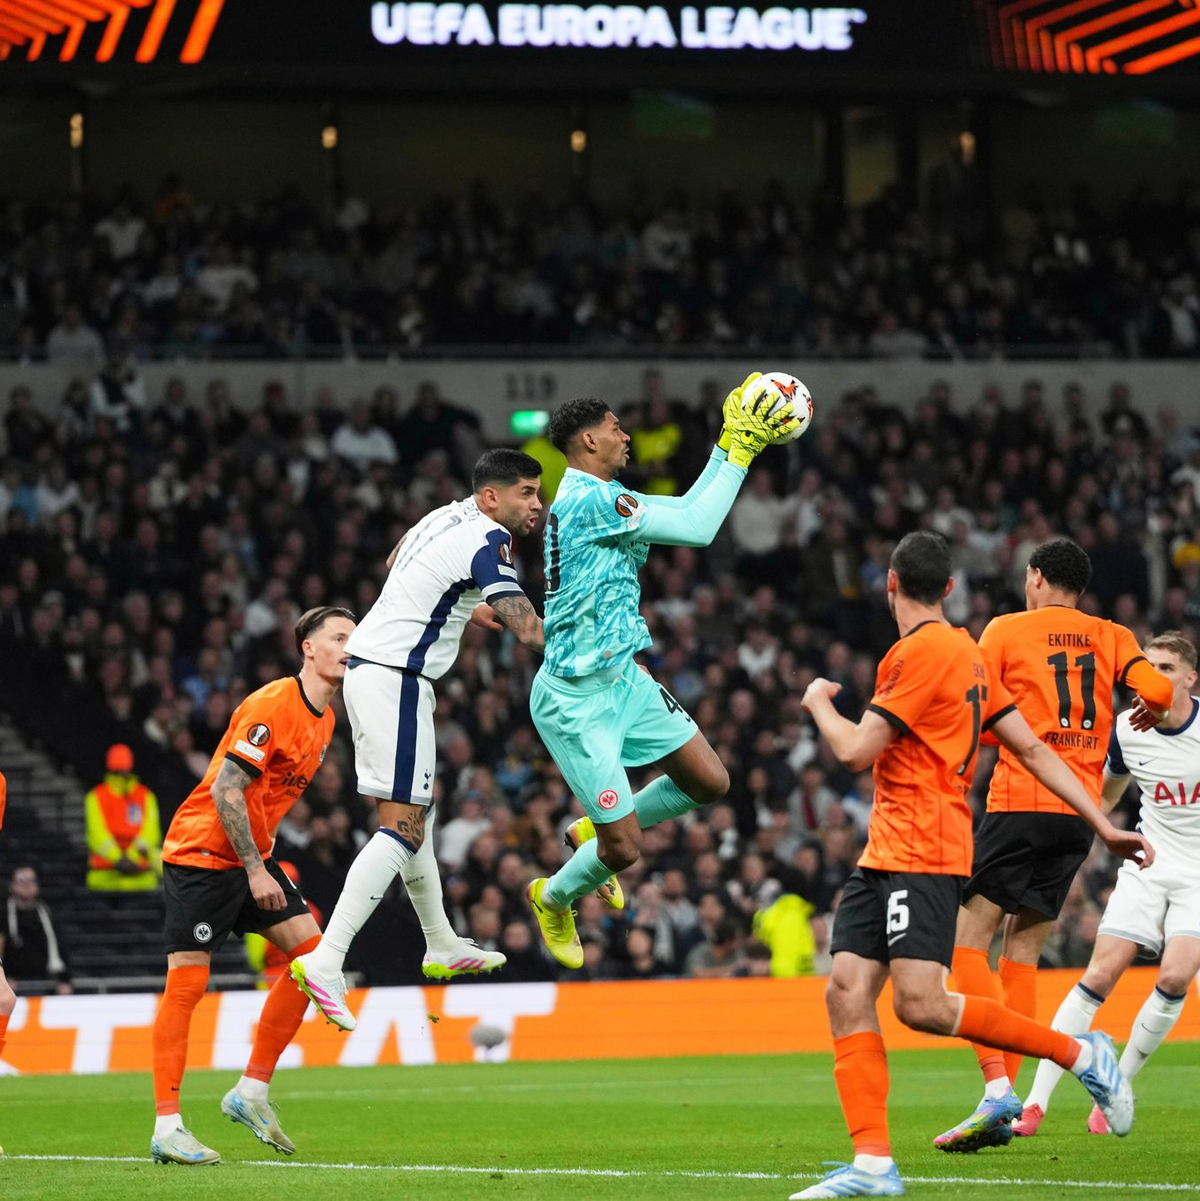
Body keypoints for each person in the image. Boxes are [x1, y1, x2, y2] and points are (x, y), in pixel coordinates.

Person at [791, 531, 1153, 1200]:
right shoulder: (968, 654)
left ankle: (1077, 1053)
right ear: (950, 588)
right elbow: (1034, 749)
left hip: (923, 847)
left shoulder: (921, 652)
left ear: (890, 583)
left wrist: (816, 702)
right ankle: (872, 1164)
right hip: (885, 848)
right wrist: (1100, 821)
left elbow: (855, 751)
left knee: (922, 1003)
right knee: (845, 989)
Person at [524, 377, 799, 969]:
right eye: (616, 427)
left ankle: (588, 830)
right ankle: (553, 896)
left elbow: (685, 509)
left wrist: (727, 446)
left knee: (709, 782)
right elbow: (698, 528)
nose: (627, 436)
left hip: (622, 678)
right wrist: (743, 450)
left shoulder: (605, 494)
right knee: (624, 849)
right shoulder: (588, 501)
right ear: (589, 439)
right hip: (575, 701)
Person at [291, 450, 546, 1030]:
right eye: (527, 493)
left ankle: (440, 941)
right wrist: (598, 647)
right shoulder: (489, 538)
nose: (537, 504)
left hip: (381, 673)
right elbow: (529, 629)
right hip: (397, 679)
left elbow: (400, 560)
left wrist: (463, 607)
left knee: (416, 818)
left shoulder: (445, 515)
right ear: (492, 497)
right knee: (402, 828)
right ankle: (327, 960)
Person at [935, 537, 1173, 1153]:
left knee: (966, 946)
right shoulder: (1111, 634)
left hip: (1021, 800)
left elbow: (974, 707)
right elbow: (1161, 692)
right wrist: (1150, 708)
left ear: (1037, 577)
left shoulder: (1005, 629)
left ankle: (996, 1088)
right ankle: (1006, 1103)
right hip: (1080, 812)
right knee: (1021, 955)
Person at [149, 606, 355, 1166]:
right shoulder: (273, 704)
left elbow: (268, 796)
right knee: (186, 986)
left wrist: (261, 858)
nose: (349, 648)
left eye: (354, 639)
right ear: (308, 647)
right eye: (339, 638)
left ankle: (251, 1091)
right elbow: (227, 788)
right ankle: (167, 1126)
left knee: (315, 961)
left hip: (252, 858)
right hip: (201, 854)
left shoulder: (325, 720)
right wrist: (258, 869)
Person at [1016, 630, 1200, 1136]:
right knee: (1099, 974)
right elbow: (1108, 795)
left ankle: (1117, 1087)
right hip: (1148, 862)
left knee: (1174, 978)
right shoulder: (1126, 729)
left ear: (1190, 678)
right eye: (1147, 669)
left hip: (1198, 874)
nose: (1153, 679)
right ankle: (1034, 1104)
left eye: (1166, 669)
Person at [86, 744, 163, 892]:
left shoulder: (145, 795)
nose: (122, 772)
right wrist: (121, 859)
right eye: (118, 769)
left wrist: (126, 859)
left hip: (140, 880)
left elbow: (151, 833)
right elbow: (96, 834)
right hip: (104, 879)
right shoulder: (96, 796)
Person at [2, 865, 71, 992]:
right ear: (12, 886)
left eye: (32, 880)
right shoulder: (3, 915)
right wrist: (3, 979)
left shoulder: (47, 913)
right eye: (22, 880)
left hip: (45, 982)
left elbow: (60, 946)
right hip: (13, 984)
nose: (27, 884)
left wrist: (64, 979)